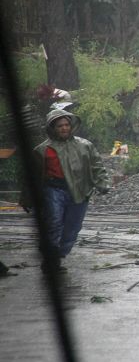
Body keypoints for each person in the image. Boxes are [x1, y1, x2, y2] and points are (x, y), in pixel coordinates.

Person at [20, 109, 110, 273]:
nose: (64, 128)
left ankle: (57, 255)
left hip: (79, 191)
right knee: (54, 224)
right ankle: (51, 261)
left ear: (72, 126)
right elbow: (30, 177)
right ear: (52, 128)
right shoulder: (42, 150)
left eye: (67, 124)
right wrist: (27, 199)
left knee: (73, 227)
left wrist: (102, 183)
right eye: (60, 125)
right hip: (53, 190)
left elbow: (97, 167)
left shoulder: (85, 146)